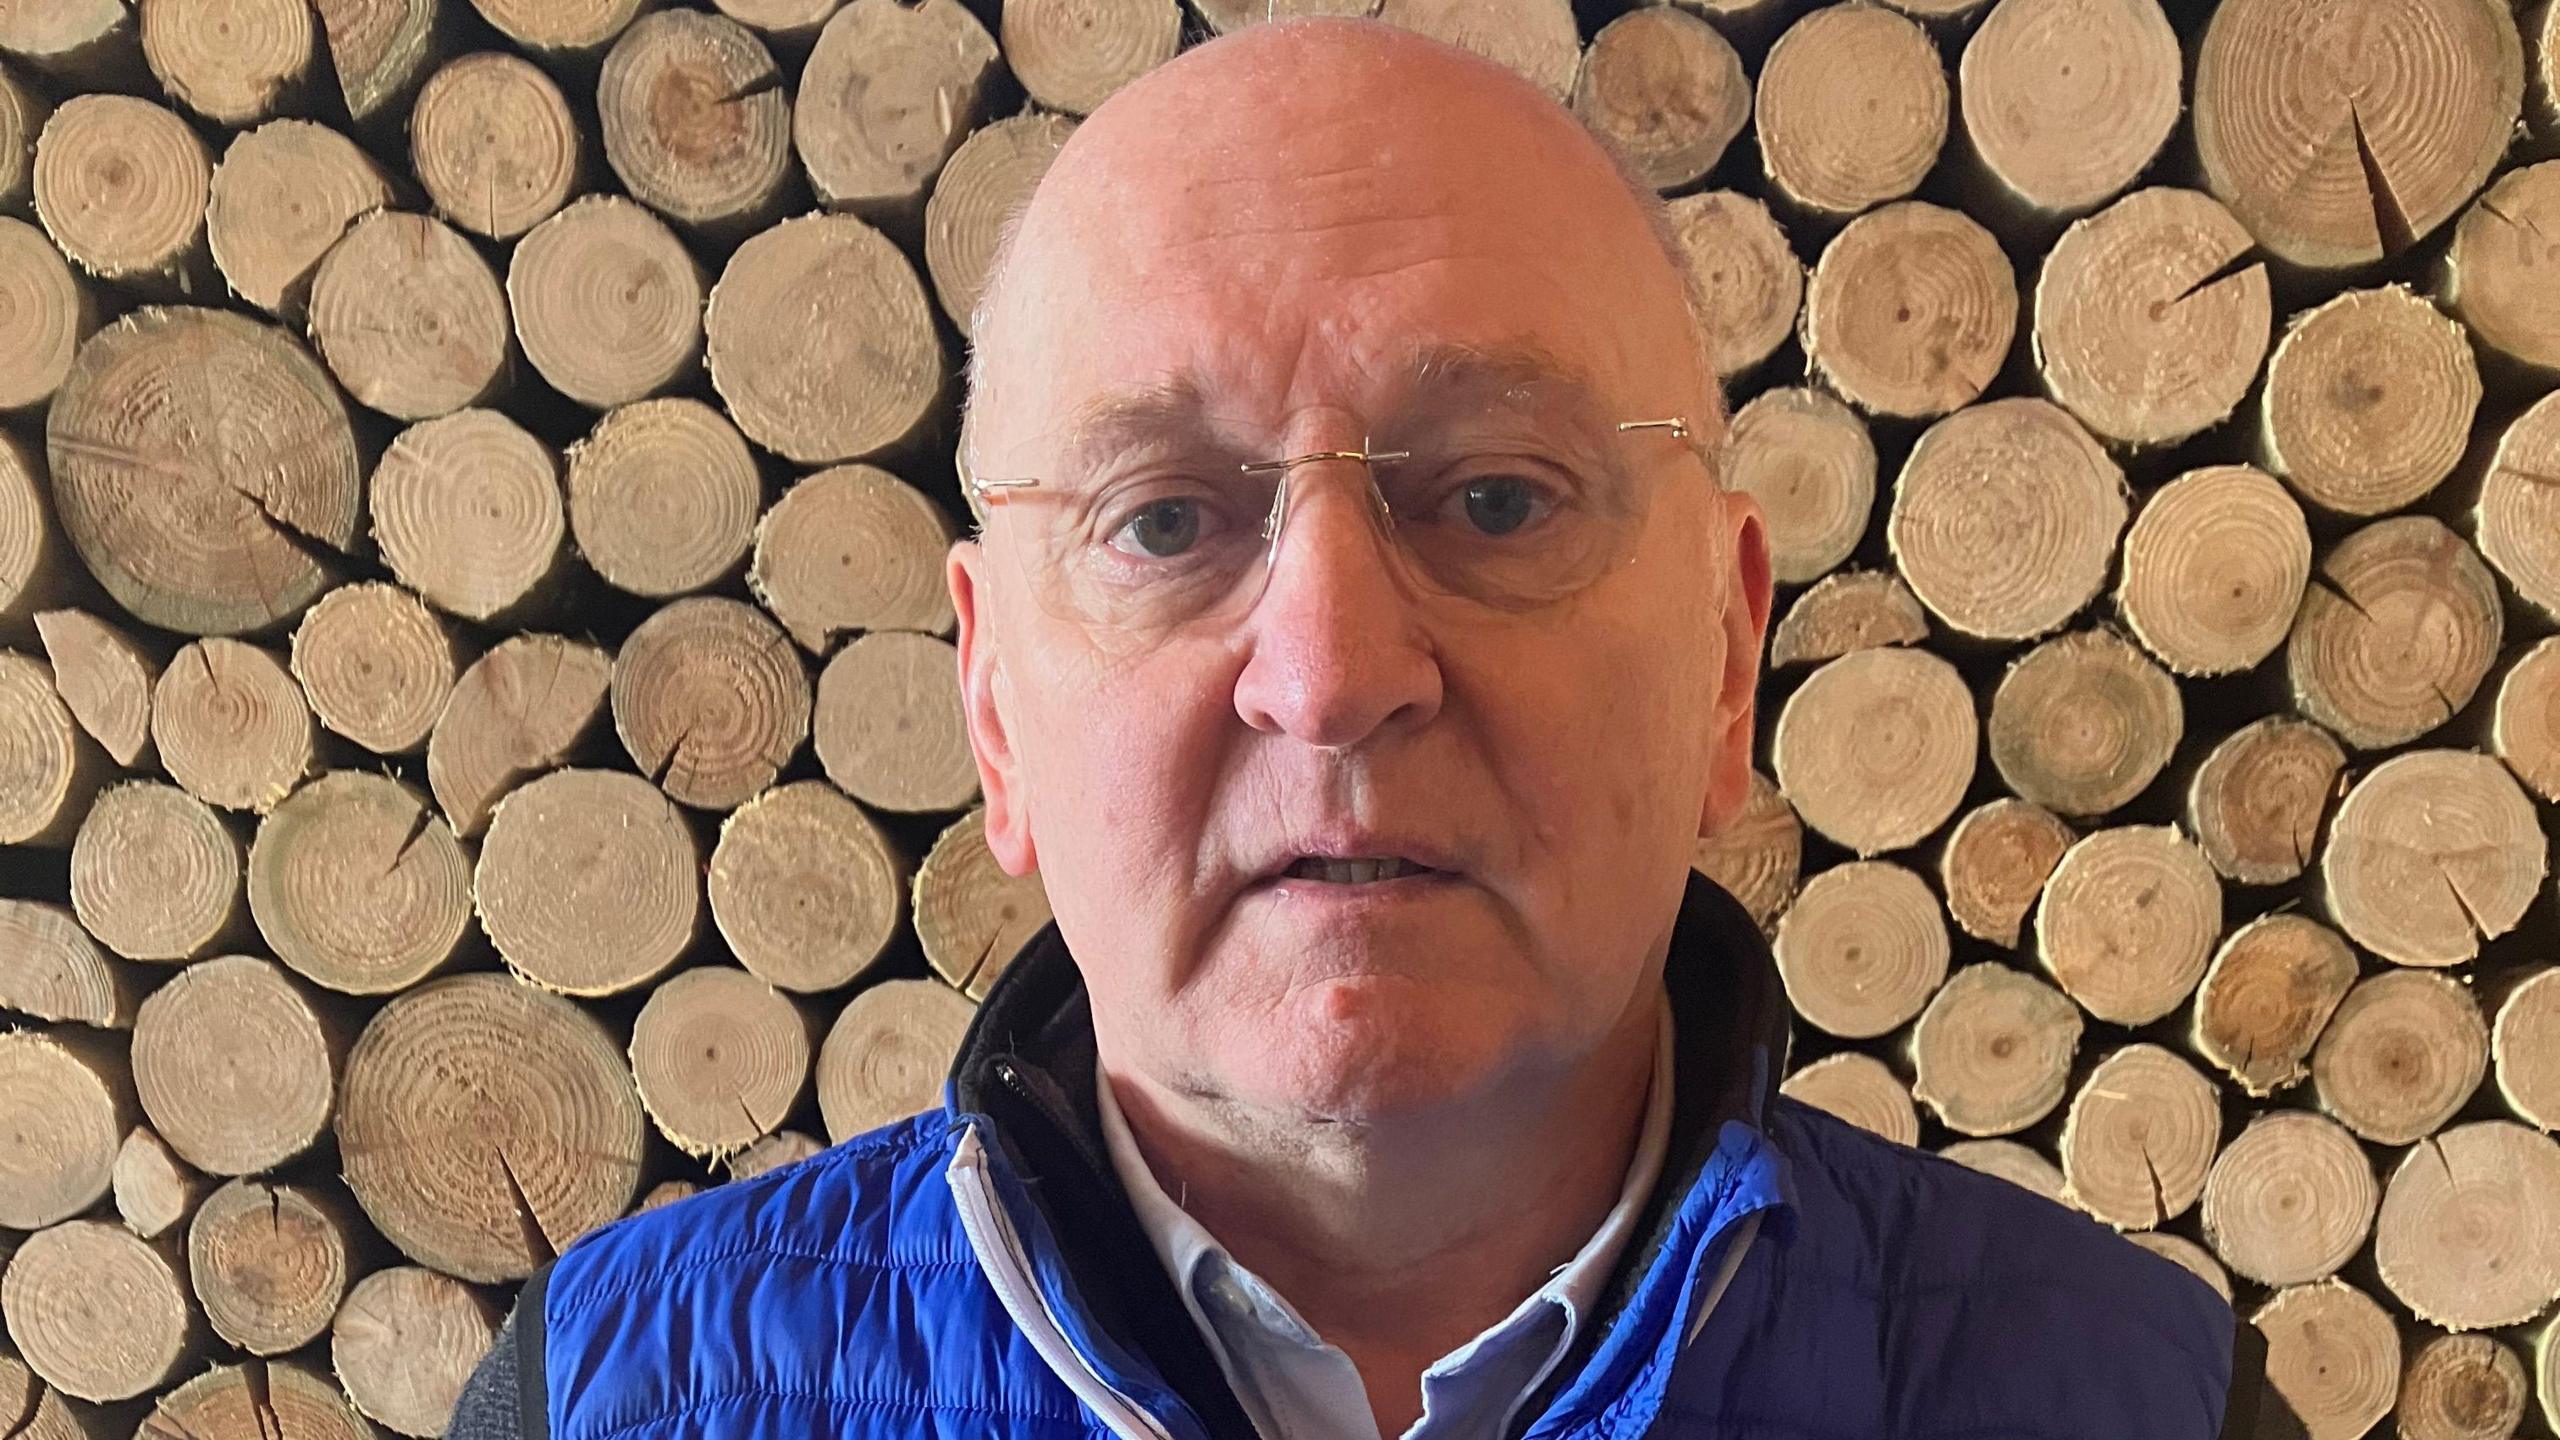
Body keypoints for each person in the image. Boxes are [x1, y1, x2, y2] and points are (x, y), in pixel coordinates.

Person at [449, 16, 2301, 1439]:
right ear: (994, 702)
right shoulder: (606, 1401)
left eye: (1496, 498)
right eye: (1164, 520)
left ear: (1728, 656)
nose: (1331, 673)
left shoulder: (2143, 1403)